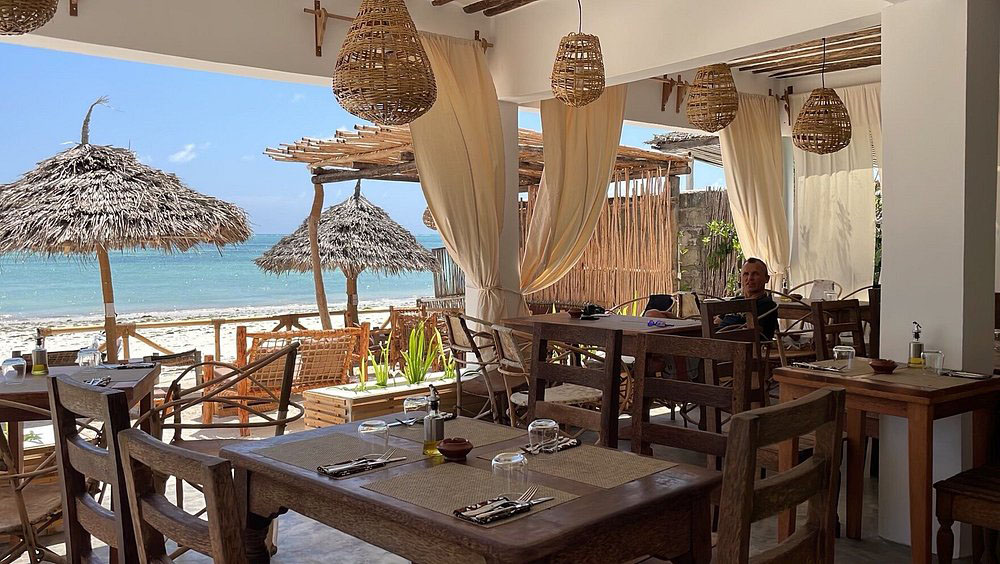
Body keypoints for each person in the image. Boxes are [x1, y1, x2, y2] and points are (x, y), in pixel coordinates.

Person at [717, 258, 778, 340]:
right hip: (716, 341)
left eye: (755, 274)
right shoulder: (735, 301)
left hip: (740, 344)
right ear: (740, 278)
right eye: (746, 274)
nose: (750, 278)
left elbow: (754, 335)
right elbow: (717, 322)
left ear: (766, 278)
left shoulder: (767, 306)